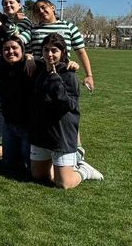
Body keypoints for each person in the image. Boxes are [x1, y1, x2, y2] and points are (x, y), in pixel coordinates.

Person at [29, 34, 103, 188]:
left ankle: (84, 169)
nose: (49, 54)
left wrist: (55, 78)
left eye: (54, 50)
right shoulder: (39, 70)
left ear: (62, 52)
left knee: (63, 183)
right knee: (38, 176)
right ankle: (64, 164)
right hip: (41, 132)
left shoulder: (69, 75)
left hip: (61, 134)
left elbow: (69, 105)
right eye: (46, 50)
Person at [20, 0, 95, 91]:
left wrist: (89, 75)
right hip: (40, 75)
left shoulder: (69, 27)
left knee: (65, 102)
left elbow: (81, 52)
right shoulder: (33, 29)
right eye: (37, 10)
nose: (41, 11)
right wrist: (29, 57)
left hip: (64, 74)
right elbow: (19, 42)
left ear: (53, 8)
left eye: (43, 7)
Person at [0, 36, 34, 173]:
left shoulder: (32, 66)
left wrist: (30, 58)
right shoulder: (1, 65)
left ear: (22, 50)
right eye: (6, 49)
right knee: (9, 165)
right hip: (9, 125)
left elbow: (52, 63)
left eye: (14, 48)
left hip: (28, 127)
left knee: (30, 169)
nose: (10, 51)